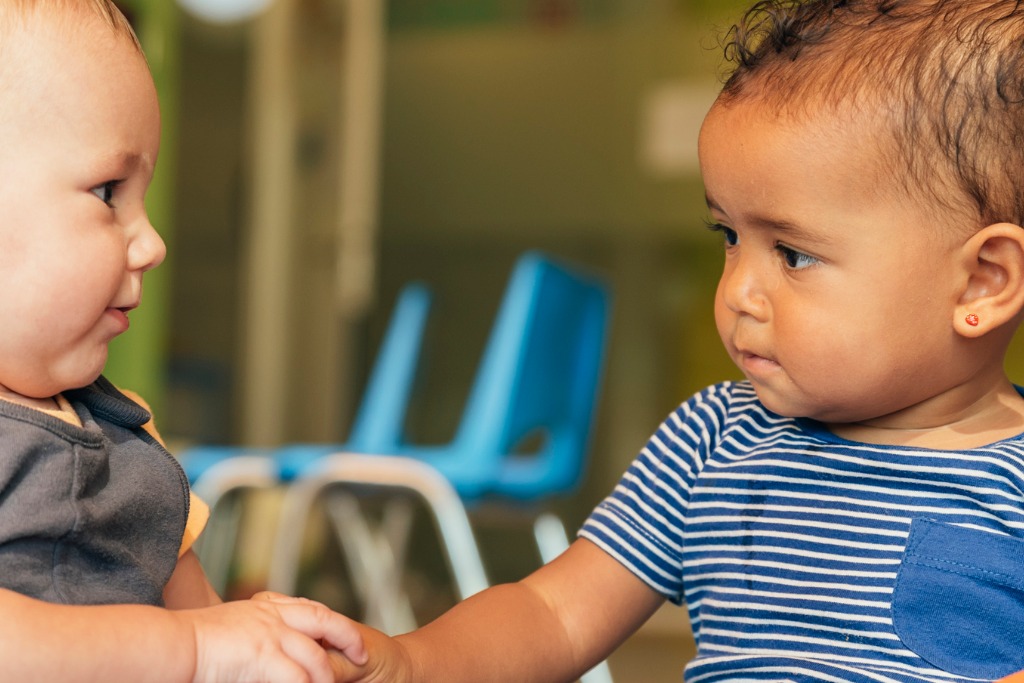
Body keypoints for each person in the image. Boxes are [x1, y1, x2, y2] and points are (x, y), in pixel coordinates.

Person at [329, 1, 1024, 681]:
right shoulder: (713, 439)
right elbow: (554, 614)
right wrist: (410, 663)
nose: (738, 291)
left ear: (982, 283)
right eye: (729, 236)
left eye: (793, 254)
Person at [0, 1, 365, 680]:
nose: (152, 243)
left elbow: (211, 626)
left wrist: (261, 646)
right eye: (108, 192)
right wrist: (192, 648)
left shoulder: (134, 441)